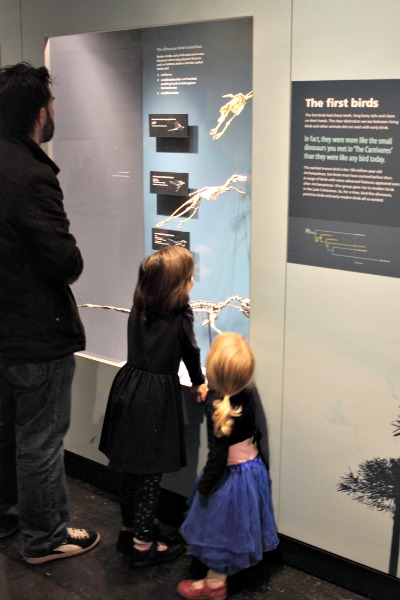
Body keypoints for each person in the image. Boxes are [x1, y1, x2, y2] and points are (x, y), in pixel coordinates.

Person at [0, 62, 100, 564]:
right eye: (53, 104)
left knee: (7, 431)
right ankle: (45, 539)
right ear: (39, 113)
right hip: (35, 333)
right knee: (39, 441)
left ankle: (7, 516)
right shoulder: (31, 176)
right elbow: (64, 260)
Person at [99, 246, 208, 569]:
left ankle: (129, 529)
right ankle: (144, 544)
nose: (192, 281)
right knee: (148, 475)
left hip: (128, 386)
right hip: (155, 398)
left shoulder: (140, 305)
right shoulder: (180, 314)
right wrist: (199, 381)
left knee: (130, 469)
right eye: (189, 276)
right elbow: (190, 351)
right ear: (179, 285)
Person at [177, 332, 279, 600]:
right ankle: (223, 575)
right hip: (252, 470)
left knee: (219, 529)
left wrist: (205, 487)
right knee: (237, 527)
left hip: (228, 478)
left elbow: (217, 458)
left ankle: (214, 584)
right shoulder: (247, 393)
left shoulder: (216, 408)